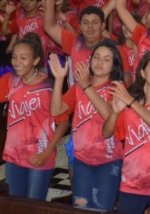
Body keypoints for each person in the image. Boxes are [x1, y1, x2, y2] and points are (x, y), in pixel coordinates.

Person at [0, 33, 65, 200]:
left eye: (23, 58)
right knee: (15, 205)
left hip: (39, 155)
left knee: (33, 206)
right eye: (14, 57)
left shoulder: (49, 85)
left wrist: (46, 153)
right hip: (14, 155)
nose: (17, 63)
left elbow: (64, 122)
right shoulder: (11, 80)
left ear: (35, 60)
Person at [102, 51, 150, 214]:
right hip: (132, 181)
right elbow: (107, 133)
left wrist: (131, 102)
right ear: (142, 73)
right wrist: (115, 113)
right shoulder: (129, 100)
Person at [50, 43, 125, 210]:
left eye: (106, 59)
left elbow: (108, 113)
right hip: (82, 160)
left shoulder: (117, 88)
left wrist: (87, 86)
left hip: (108, 160)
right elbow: (56, 109)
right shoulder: (79, 86)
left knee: (102, 208)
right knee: (81, 208)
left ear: (114, 65)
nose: (99, 62)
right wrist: (59, 79)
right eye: (96, 57)